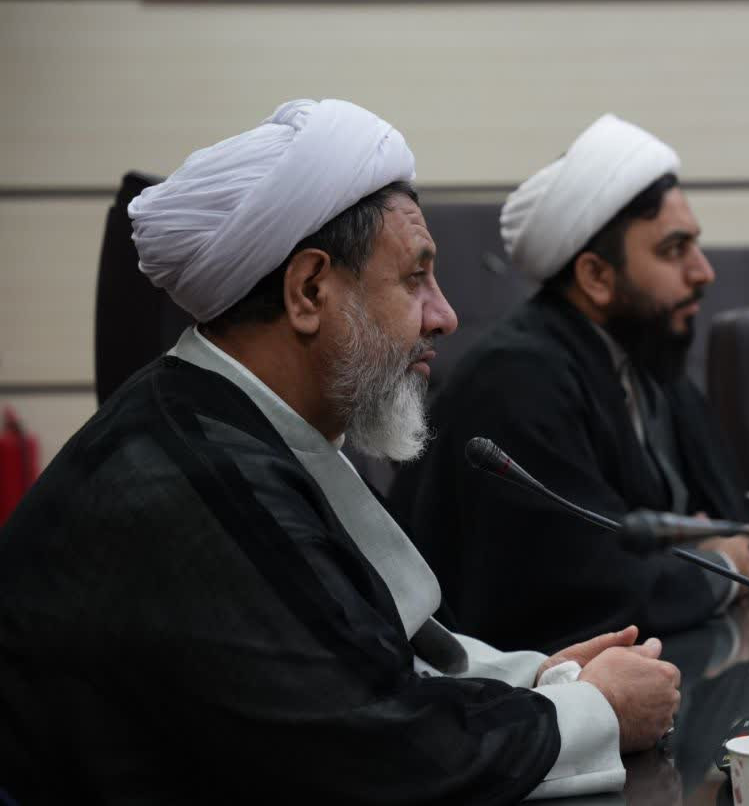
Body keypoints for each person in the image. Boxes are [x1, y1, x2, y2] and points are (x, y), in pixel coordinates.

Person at [0, 100, 680, 804]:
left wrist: (541, 679)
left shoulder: (229, 420)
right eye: (415, 278)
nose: (445, 315)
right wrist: (598, 709)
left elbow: (367, 659)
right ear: (309, 291)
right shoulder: (189, 478)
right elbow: (374, 750)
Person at [399, 114, 749, 653]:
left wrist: (708, 552)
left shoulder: (646, 357)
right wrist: (718, 566)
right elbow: (586, 587)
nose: (703, 271)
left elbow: (733, 524)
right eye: (673, 250)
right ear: (596, 277)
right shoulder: (517, 380)